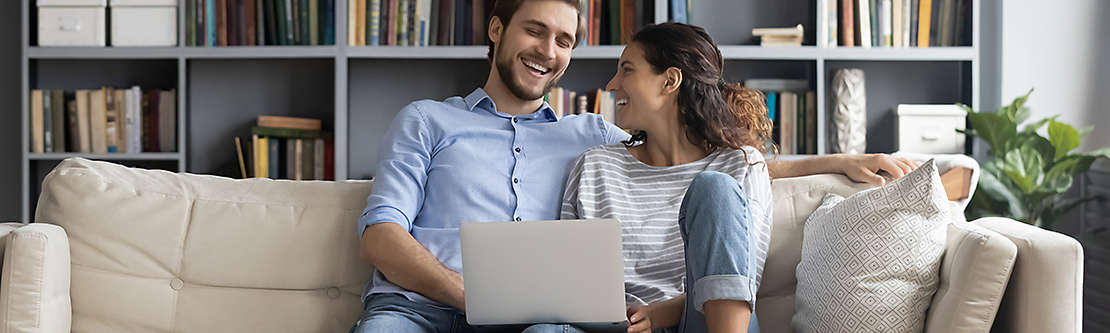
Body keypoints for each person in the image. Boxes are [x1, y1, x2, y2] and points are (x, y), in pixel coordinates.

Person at [352, 1, 919, 332]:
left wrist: (841, 161)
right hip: (417, 311)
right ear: (497, 30)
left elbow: (697, 159)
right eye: (534, 30)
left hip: (525, 319)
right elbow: (381, 236)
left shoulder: (591, 134)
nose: (548, 50)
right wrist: (467, 295)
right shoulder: (426, 120)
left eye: (564, 40)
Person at [560, 22, 778, 333]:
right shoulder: (595, 167)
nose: (611, 84)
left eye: (627, 70)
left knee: (714, 188)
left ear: (669, 81)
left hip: (708, 324)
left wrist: (658, 315)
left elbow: (740, 283)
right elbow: (567, 283)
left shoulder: (740, 165)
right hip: (619, 328)